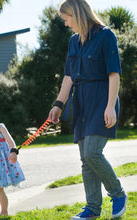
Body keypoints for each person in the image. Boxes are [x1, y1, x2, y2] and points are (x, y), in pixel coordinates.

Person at [49, 0, 127, 219]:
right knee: (85, 158)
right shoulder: (74, 41)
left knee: (93, 152)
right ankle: (92, 209)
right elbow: (68, 76)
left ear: (76, 14)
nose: (66, 24)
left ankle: (118, 193)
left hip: (102, 100)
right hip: (81, 102)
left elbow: (114, 74)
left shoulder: (105, 35)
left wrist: (110, 106)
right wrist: (58, 103)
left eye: (67, 19)